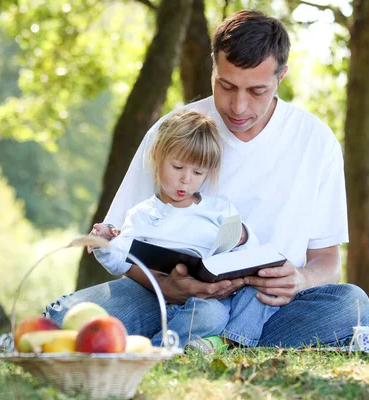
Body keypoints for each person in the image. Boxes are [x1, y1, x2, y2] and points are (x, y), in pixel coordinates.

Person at [44, 9, 369, 349]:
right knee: (58, 322)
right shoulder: (174, 131)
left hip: (266, 305)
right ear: (213, 67)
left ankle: (210, 340)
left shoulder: (315, 140)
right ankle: (210, 339)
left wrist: (301, 279)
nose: (239, 107)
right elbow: (119, 243)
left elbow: (328, 261)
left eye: (257, 91)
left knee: (353, 304)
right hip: (166, 297)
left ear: (281, 77)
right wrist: (165, 286)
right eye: (226, 85)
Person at [90, 109, 278, 349]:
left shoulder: (220, 210)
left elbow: (243, 253)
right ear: (158, 157)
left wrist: (243, 237)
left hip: (226, 291)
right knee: (211, 315)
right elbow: (121, 259)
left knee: (265, 292)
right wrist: (104, 244)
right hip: (184, 301)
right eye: (178, 167)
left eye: (198, 172)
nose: (186, 180)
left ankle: (229, 341)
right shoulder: (142, 214)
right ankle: (159, 350)